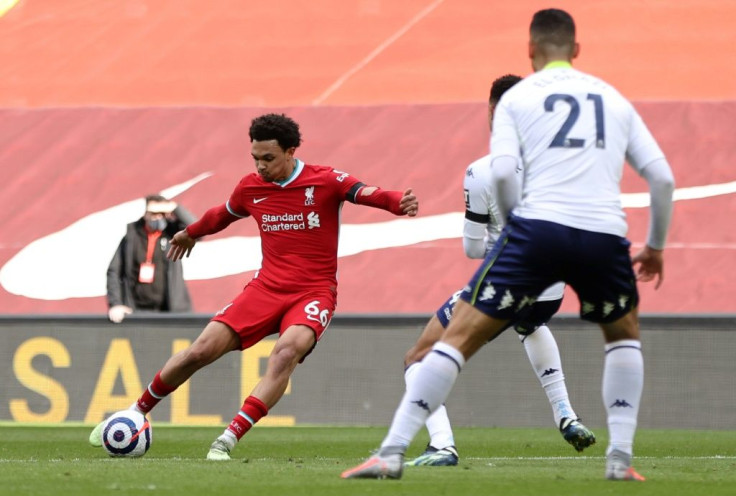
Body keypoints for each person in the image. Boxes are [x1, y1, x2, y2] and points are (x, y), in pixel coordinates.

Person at [342, 8, 674, 481]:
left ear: (530, 51)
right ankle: (619, 460)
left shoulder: (518, 101)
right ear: (577, 50)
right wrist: (656, 246)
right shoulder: (613, 98)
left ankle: (393, 451)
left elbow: (500, 171)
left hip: (538, 233)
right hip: (602, 232)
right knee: (622, 338)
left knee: (453, 341)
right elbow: (662, 178)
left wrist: (518, 228)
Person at [90, 113, 419, 460]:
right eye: (255, 158)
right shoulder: (251, 187)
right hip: (265, 289)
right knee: (200, 350)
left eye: (268, 158)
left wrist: (397, 201)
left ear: (291, 151)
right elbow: (222, 213)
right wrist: (190, 232)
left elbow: (365, 192)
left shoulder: (324, 180)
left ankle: (228, 439)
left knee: (286, 352)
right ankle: (136, 411)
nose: (260, 166)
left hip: (313, 292)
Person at [404, 74, 594, 468]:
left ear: (494, 111)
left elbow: (473, 248)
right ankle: (566, 416)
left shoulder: (483, 171)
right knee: (530, 326)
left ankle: (442, 445)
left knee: (419, 358)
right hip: (551, 292)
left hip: (503, 286)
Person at [106, 194, 196, 323]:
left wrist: (175, 208)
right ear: (145, 213)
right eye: (153, 213)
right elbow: (114, 271)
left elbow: (197, 230)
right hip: (136, 310)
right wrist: (116, 304)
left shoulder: (173, 234)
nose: (158, 217)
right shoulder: (132, 236)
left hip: (170, 310)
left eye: (162, 213)